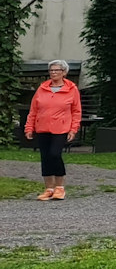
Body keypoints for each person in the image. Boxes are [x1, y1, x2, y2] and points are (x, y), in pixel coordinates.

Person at [22, 60, 81, 201]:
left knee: (55, 154)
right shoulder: (42, 88)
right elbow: (33, 110)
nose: (53, 73)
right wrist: (29, 127)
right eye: (51, 70)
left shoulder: (72, 89)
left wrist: (73, 129)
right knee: (45, 157)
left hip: (61, 128)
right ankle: (49, 188)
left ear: (64, 72)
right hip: (42, 127)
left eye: (57, 70)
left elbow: (76, 111)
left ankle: (60, 187)